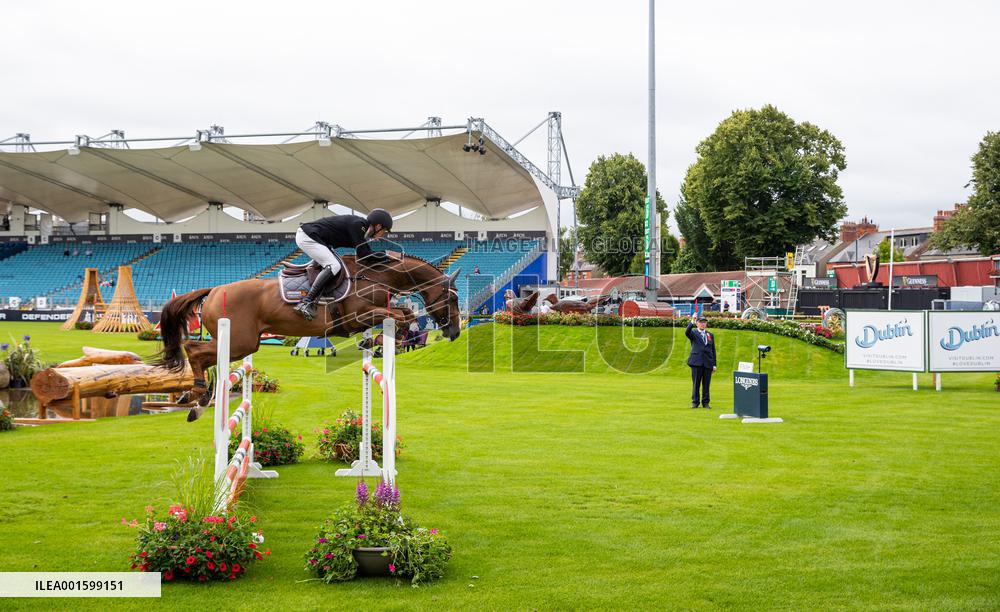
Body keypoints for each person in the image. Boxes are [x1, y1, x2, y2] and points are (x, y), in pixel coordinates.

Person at [293, 209, 393, 320]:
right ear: (378, 226)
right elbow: (364, 254)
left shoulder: (361, 229)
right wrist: (389, 255)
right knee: (334, 265)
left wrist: (386, 257)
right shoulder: (359, 225)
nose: (383, 234)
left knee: (335, 264)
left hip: (315, 238)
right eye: (384, 231)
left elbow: (366, 254)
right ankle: (306, 301)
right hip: (309, 237)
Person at [685, 315, 717, 409]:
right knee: (696, 384)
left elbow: (713, 350)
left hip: (707, 362)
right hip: (696, 362)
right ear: (697, 323)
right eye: (701, 322)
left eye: (704, 322)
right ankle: (695, 402)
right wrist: (692, 321)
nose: (703, 324)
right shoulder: (693, 333)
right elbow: (687, 332)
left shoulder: (710, 335)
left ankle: (706, 403)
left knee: (706, 384)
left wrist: (714, 364)